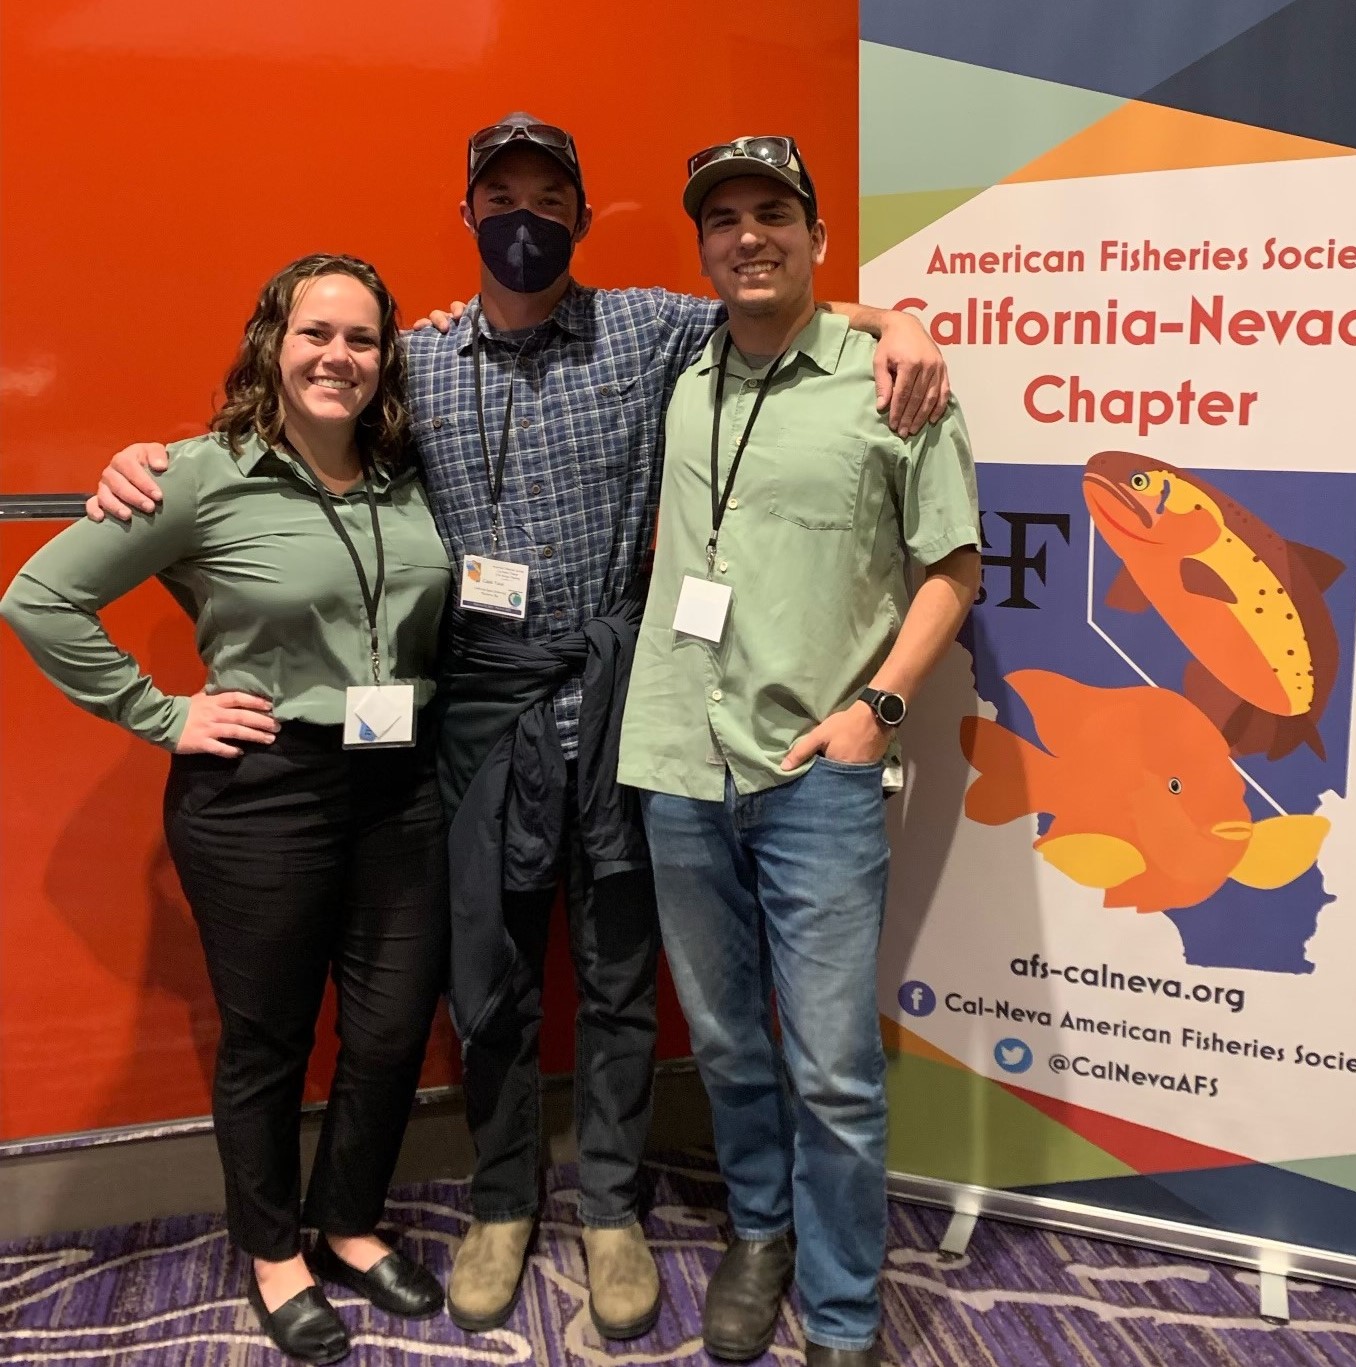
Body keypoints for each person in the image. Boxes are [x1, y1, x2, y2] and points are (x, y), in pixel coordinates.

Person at [84, 112, 953, 1345]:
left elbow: (776, 301)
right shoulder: (415, 360)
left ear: (583, 218)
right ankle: (502, 1200)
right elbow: (297, 429)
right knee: (484, 977)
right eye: (503, 200)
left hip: (626, 708)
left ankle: (611, 1207)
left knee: (617, 977)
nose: (526, 222)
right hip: (475, 715)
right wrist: (143, 461)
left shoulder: (652, 330)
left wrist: (899, 320)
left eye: (551, 200)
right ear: (468, 216)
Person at [2, 255, 453, 1364]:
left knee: (391, 1026)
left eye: (362, 338)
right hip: (263, 792)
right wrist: (162, 714)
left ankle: (347, 1221)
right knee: (268, 1038)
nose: (338, 356)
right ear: (271, 344)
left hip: (399, 783)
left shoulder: (408, 472)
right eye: (315, 333)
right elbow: (39, 597)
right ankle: (273, 1250)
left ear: (386, 358)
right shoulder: (202, 474)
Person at [616, 138, 982, 1367]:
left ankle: (840, 1310)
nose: (747, 236)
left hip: (815, 768)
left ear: (818, 236)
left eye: (773, 212)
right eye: (722, 218)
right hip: (678, 758)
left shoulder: (895, 382)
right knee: (724, 1042)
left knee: (830, 1065)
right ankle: (759, 1232)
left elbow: (952, 565)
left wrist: (877, 708)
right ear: (702, 248)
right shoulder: (682, 369)